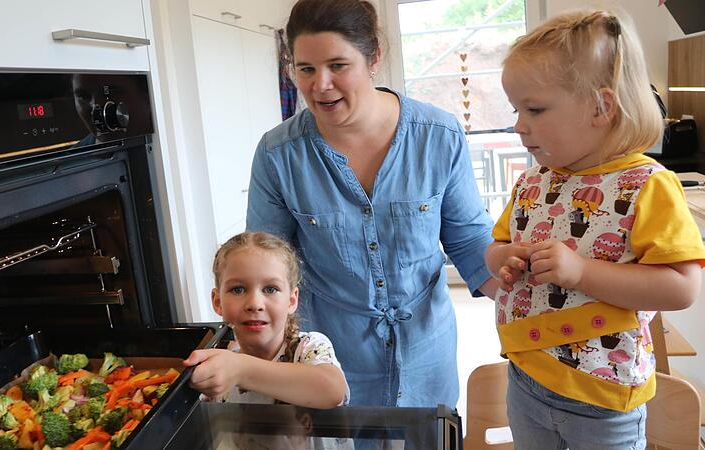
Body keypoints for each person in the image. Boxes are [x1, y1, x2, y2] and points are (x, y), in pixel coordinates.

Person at [246, 0, 497, 408]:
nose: (320, 85)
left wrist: (525, 301)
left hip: (426, 356)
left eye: (338, 65)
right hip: (330, 361)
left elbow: (469, 240)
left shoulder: (438, 135)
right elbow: (267, 261)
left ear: (374, 56)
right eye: (305, 69)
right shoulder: (278, 154)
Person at [486, 9, 705, 449]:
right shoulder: (533, 180)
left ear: (601, 107)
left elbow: (682, 288)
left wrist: (581, 273)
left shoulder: (646, 185)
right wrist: (503, 258)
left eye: (535, 109)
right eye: (516, 109)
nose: (519, 125)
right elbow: (498, 245)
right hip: (526, 374)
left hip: (603, 395)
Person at [183, 231, 349, 409]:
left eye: (270, 289)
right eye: (238, 290)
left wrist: (241, 369)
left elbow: (331, 390)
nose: (255, 304)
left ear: (292, 300)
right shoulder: (219, 367)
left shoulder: (309, 347)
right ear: (217, 302)